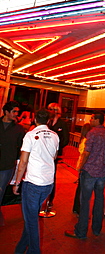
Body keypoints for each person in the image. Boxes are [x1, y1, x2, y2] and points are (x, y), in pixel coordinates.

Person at [13, 108, 59, 253]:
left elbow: (23, 162)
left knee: (31, 221)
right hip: (47, 183)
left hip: (32, 183)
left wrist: (17, 182)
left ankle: (34, 250)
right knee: (31, 217)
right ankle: (20, 248)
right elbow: (54, 156)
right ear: (49, 120)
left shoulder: (30, 135)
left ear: (35, 120)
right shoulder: (54, 135)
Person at [65, 112, 105, 239]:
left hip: (89, 171)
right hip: (101, 172)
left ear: (98, 120)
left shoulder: (92, 133)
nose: (90, 120)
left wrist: (80, 166)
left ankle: (81, 231)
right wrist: (103, 165)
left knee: (85, 201)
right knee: (99, 200)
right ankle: (97, 229)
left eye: (92, 118)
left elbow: (86, 152)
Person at [0, 100, 25, 226]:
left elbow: (23, 148)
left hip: (7, 165)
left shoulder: (19, 129)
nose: (16, 114)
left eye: (17, 112)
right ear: (6, 112)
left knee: (1, 190)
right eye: (14, 111)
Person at [45, 103, 69, 208]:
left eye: (54, 109)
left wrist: (57, 147)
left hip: (54, 154)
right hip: (44, 152)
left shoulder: (62, 123)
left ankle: (50, 199)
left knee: (52, 176)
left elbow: (66, 139)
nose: (51, 111)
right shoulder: (46, 122)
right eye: (50, 109)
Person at [72, 123, 91, 215]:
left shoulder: (83, 140)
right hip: (84, 165)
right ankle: (79, 207)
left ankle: (76, 207)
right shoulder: (87, 141)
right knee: (82, 188)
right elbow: (85, 154)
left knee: (80, 187)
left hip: (81, 164)